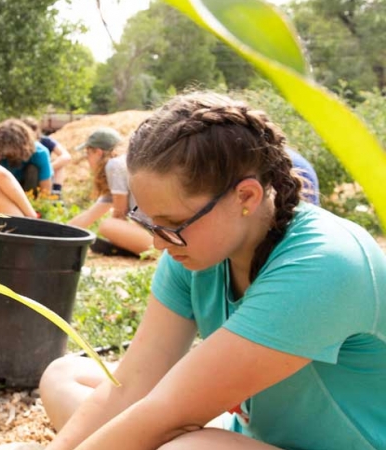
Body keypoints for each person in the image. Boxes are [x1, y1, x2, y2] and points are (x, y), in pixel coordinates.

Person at [40, 92, 386, 449]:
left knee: (182, 446)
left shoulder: (323, 264)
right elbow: (131, 385)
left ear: (246, 197)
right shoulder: (196, 250)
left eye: (171, 223)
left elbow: (170, 413)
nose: (158, 243)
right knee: (65, 377)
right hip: (256, 437)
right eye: (148, 222)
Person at [68, 128, 152, 257]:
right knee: (112, 226)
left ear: (98, 152)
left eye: (88, 153)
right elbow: (91, 214)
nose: (87, 159)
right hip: (159, 233)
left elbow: (120, 213)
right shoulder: (124, 164)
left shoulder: (115, 165)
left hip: (156, 237)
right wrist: (60, 233)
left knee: (107, 225)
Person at [0, 119, 54, 197]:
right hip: (5, 189)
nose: (10, 154)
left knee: (32, 170)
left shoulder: (40, 153)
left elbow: (45, 189)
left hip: (30, 188)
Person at [21, 116, 72, 192]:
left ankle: (56, 193)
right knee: (32, 169)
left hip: (45, 174)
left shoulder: (45, 141)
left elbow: (66, 156)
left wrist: (47, 168)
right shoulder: (18, 143)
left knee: (59, 164)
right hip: (25, 174)